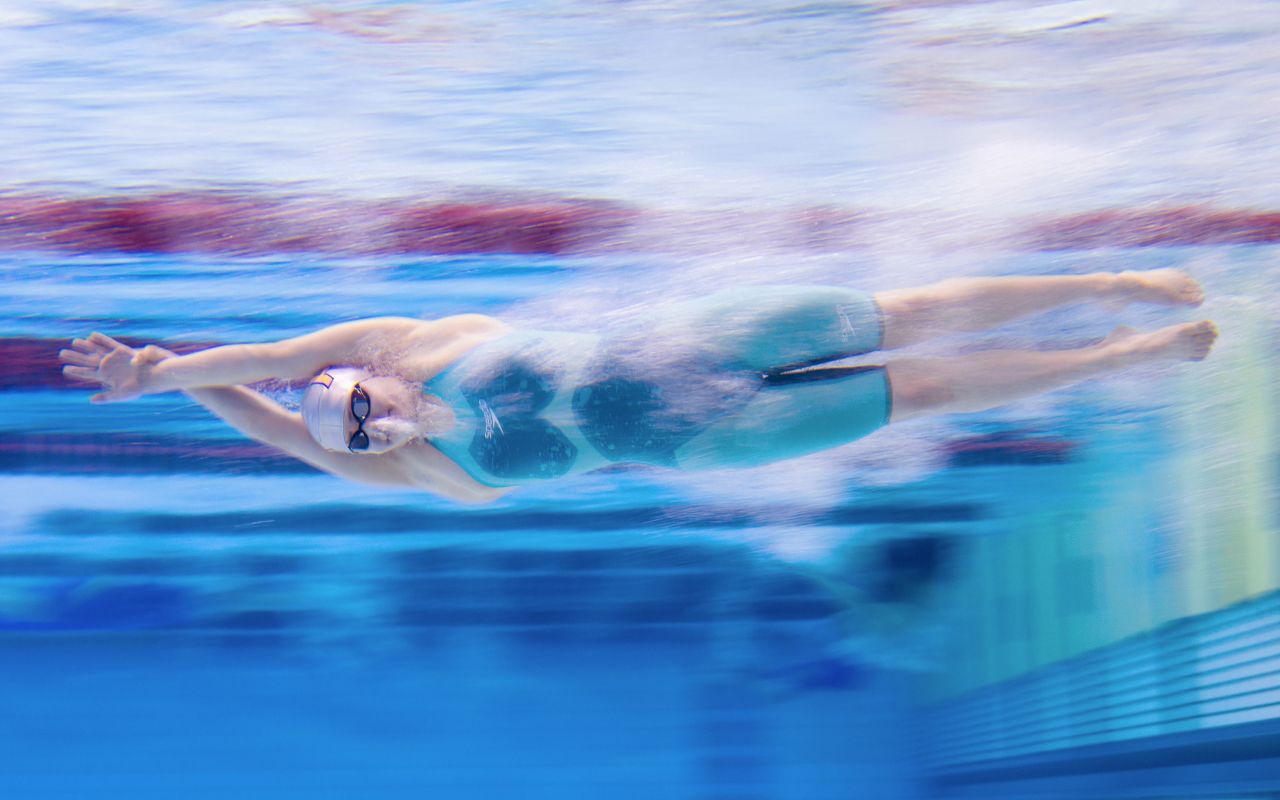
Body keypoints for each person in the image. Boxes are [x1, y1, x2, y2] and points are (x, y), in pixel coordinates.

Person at [60, 270, 1217, 504]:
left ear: (361, 373)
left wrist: (161, 366)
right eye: (354, 437)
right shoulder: (422, 471)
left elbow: (268, 369)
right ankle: (1118, 356)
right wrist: (176, 398)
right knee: (912, 391)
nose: (366, 422)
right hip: (708, 437)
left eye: (351, 400)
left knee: (903, 312)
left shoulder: (407, 339)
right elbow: (274, 421)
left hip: (697, 338)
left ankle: (1117, 281)